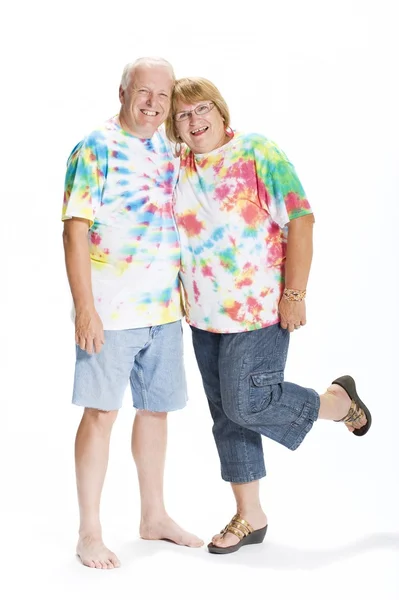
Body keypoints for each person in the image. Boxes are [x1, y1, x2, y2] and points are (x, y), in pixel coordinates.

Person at [165, 77, 372, 555]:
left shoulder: (258, 151)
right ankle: (249, 516)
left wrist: (295, 292)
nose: (194, 122)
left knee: (246, 404)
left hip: (258, 308)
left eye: (201, 110)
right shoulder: (178, 165)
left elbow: (300, 218)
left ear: (220, 110)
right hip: (201, 314)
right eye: (183, 116)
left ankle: (336, 402)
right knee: (227, 416)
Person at [62, 58, 203, 570]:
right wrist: (85, 309)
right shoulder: (96, 148)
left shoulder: (170, 150)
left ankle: (153, 515)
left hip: (164, 311)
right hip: (110, 311)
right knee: (100, 415)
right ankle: (89, 532)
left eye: (162, 97)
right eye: (144, 93)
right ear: (122, 92)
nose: (153, 104)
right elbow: (74, 230)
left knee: (156, 411)